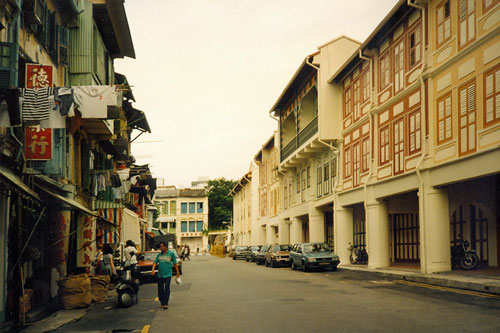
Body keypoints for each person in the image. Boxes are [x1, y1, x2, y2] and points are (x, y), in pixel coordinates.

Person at [152, 242, 180, 309]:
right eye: (160, 247)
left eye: (161, 246)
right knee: (160, 289)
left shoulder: (171, 254)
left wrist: (177, 272)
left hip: (168, 274)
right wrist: (153, 269)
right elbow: (155, 262)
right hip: (160, 275)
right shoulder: (159, 255)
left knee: (167, 288)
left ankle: (166, 303)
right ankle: (162, 302)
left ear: (165, 247)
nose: (160, 248)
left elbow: (175, 263)